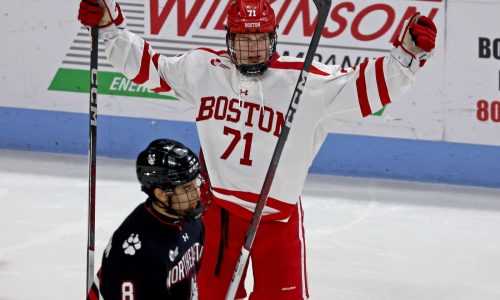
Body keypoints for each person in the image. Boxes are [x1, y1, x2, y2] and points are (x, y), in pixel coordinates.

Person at [79, 1, 437, 299]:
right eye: (244, 39)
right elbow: (152, 69)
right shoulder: (205, 69)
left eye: (261, 39)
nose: (253, 49)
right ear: (228, 38)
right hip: (217, 215)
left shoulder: (306, 84)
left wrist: (407, 54)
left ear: (274, 38)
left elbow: (367, 87)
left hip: (276, 221)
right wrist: (112, 29)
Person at [87, 138, 205, 299]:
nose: (196, 193)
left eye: (196, 182)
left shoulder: (190, 218)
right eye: (187, 188)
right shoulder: (138, 255)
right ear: (161, 194)